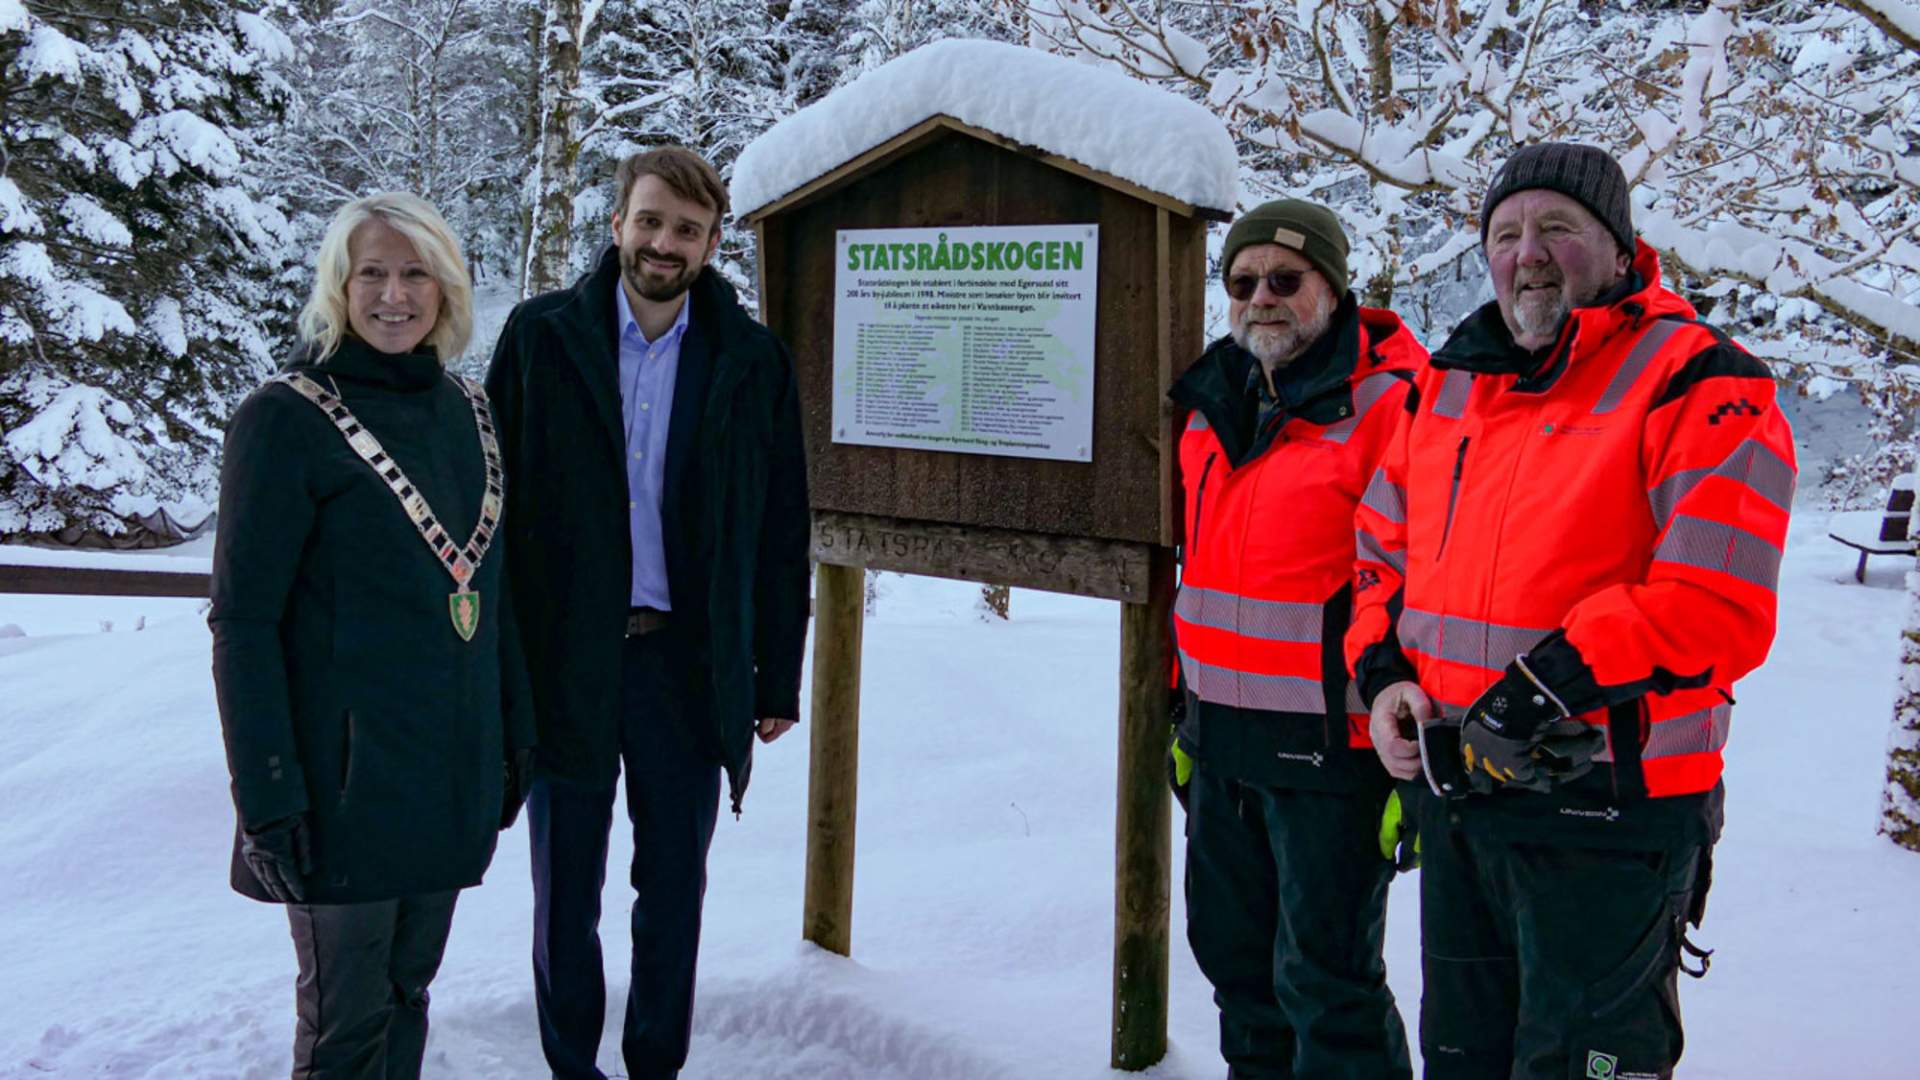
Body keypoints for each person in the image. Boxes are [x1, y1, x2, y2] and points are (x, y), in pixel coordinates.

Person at [1348, 143, 1796, 1079]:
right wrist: (1383, 674)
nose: (1529, 252)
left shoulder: (1701, 380)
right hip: (1464, 802)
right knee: (1463, 1057)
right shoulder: (1449, 385)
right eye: (1506, 234)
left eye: (1558, 227)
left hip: (1609, 807)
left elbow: (1717, 597)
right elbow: (1380, 552)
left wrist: (1545, 688)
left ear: (1621, 247)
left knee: (1585, 1065)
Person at [484, 145, 811, 1080]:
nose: (665, 243)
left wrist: (775, 675)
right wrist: (501, 665)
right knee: (564, 893)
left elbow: (781, 531)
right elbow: (496, 513)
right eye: (651, 220)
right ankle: (572, 1067)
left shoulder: (752, 362)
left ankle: (654, 1064)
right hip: (567, 662)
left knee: (672, 889)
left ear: (711, 244)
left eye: (687, 230)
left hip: (685, 666)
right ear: (619, 221)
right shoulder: (541, 338)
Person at [210, 191, 537, 1079]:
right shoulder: (285, 417)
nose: (395, 295)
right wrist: (267, 796)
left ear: (446, 287)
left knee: (407, 999)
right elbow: (243, 624)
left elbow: (490, 595)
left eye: (414, 273)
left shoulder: (470, 412)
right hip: (337, 790)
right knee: (346, 1027)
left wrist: (513, 740)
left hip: (447, 777)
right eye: (373, 274)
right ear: (338, 286)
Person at [1168, 198, 1422, 1078]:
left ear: (1333, 286)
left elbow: (1411, 579)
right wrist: (1182, 707)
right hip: (1219, 745)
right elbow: (1199, 568)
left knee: (1329, 985)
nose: (1261, 298)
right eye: (1242, 283)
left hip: (1333, 755)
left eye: (1286, 278)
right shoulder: (1210, 402)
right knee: (1237, 969)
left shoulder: (1392, 404)